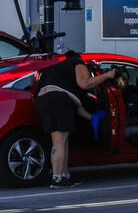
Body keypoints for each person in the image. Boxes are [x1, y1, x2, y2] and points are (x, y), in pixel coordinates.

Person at [35, 50, 117, 189]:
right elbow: (84, 83)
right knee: (60, 142)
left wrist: (92, 118)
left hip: (43, 100)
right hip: (60, 101)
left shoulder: (58, 69)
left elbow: (76, 106)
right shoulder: (77, 63)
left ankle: (64, 175)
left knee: (60, 141)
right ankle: (57, 179)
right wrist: (107, 75)